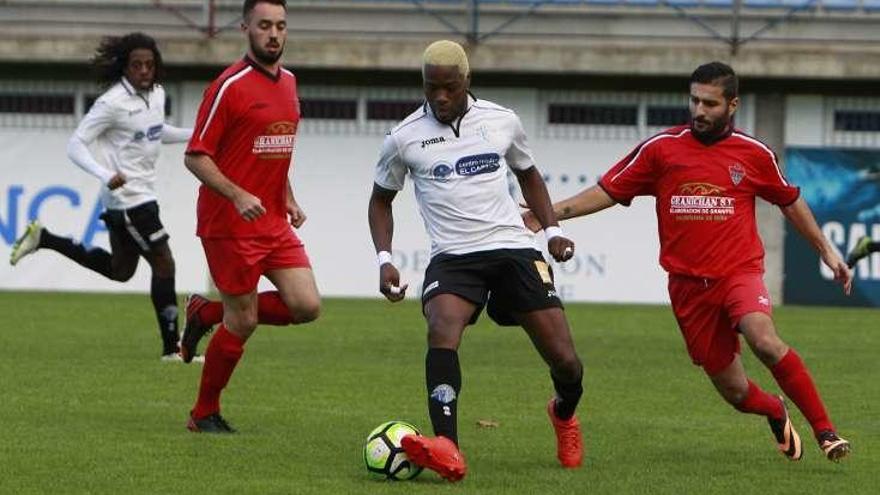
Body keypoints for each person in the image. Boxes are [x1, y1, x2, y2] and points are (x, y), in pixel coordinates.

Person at [524, 61, 852, 462]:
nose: (699, 111)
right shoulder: (662, 149)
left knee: (764, 340)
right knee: (735, 393)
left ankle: (826, 431)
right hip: (687, 287)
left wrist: (825, 249)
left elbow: (789, 199)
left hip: (738, 273)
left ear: (733, 105)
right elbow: (607, 190)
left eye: (710, 103)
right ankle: (774, 408)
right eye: (694, 100)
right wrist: (548, 215)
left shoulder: (753, 153)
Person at [368, 40, 585, 481]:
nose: (441, 98)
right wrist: (385, 259)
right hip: (453, 257)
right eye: (432, 89)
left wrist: (553, 231)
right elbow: (380, 201)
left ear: (466, 81)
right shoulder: (403, 137)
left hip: (512, 249)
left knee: (566, 362)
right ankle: (448, 446)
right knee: (440, 327)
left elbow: (528, 174)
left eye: (449, 87)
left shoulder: (502, 121)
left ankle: (563, 413)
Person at [9, 32, 195, 362]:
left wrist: (194, 135)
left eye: (149, 65)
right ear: (124, 67)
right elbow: (76, 144)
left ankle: (45, 238)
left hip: (141, 196)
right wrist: (105, 174)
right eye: (136, 65)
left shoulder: (157, 94)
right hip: (128, 199)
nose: (144, 71)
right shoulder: (111, 103)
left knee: (120, 270)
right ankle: (172, 350)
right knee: (164, 262)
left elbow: (156, 132)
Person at [181, 0, 320, 434]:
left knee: (307, 305)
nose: (273, 34)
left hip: (272, 219)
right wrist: (238, 194)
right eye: (264, 25)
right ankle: (203, 412)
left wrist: (288, 196)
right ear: (245, 28)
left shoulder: (291, 82)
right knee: (244, 321)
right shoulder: (229, 85)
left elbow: (272, 149)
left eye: (280, 26)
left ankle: (207, 312)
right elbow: (196, 156)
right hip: (229, 223)